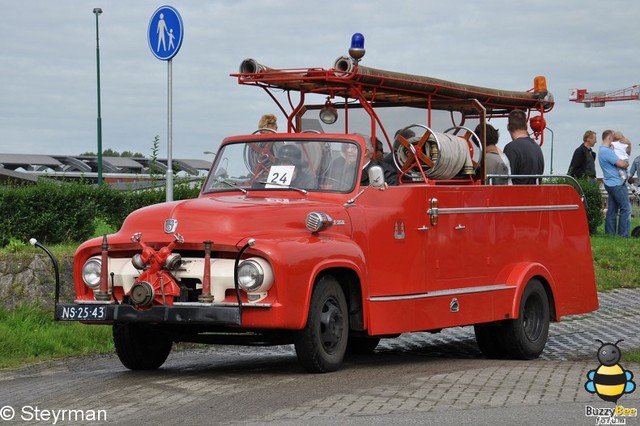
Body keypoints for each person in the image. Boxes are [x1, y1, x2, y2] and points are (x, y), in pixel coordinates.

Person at [598, 129, 631, 237]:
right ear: (609, 138)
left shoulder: (603, 151)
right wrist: (626, 163)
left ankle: (610, 234)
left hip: (609, 183)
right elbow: (621, 163)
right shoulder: (606, 151)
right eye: (613, 138)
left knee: (612, 210)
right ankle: (623, 235)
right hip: (617, 183)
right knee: (625, 209)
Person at [503, 110, 544, 185]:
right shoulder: (537, 147)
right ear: (526, 126)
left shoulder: (511, 148)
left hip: (518, 194)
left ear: (508, 127)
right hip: (536, 194)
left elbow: (506, 179)